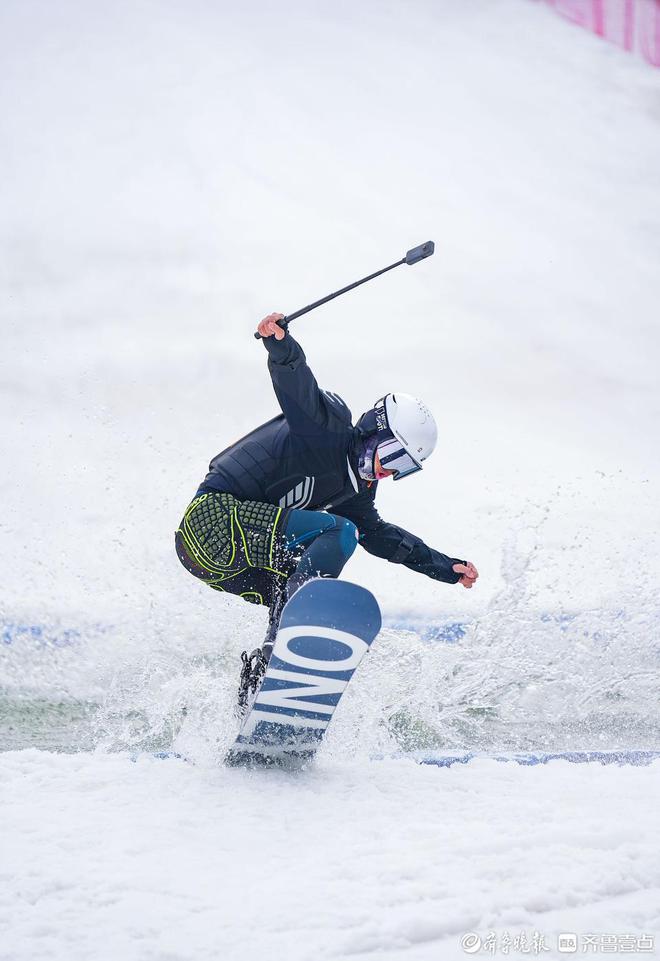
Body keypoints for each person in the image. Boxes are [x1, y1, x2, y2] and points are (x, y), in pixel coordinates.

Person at [175, 312, 478, 708]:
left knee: (300, 580)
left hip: (217, 565)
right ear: (375, 431)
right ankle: (280, 645)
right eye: (391, 455)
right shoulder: (327, 430)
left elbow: (385, 539)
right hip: (210, 522)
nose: (388, 470)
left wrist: (444, 566)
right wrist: (280, 344)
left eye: (402, 467)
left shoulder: (356, 494)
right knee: (337, 535)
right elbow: (297, 388)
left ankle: (257, 685)